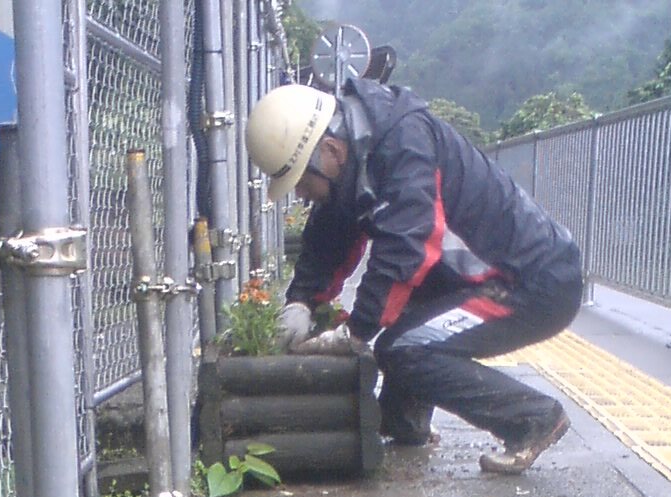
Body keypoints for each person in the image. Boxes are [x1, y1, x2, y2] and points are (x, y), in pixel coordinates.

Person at [244, 80, 584, 474]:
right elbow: (330, 234)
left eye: (302, 181)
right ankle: (404, 426)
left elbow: (407, 247)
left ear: (332, 151)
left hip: (531, 283)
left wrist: (356, 331)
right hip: (487, 279)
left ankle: (533, 418)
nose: (301, 194)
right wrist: (302, 301)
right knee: (406, 332)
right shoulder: (360, 151)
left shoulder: (405, 145)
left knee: (404, 348)